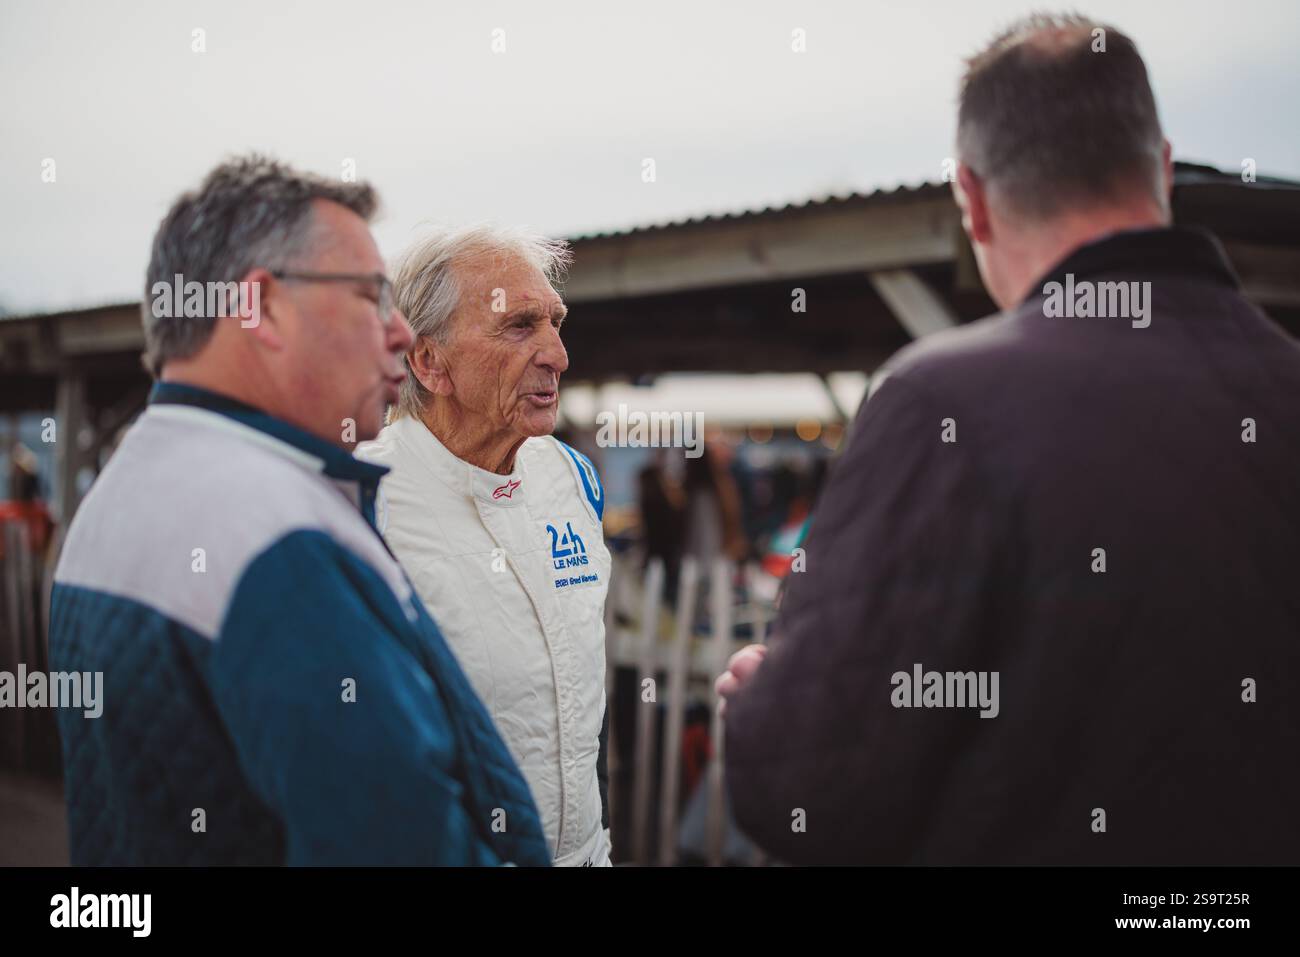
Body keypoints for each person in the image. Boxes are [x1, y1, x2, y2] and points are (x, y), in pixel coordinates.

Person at [717, 13, 1300, 864]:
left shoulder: (941, 403)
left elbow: (812, 789)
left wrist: (771, 707)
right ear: (1165, 169)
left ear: (974, 201)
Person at [49, 157, 550, 866]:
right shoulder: (272, 537)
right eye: (373, 296)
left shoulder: (117, 497)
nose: (402, 333)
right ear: (263, 308)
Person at [357, 225, 613, 866]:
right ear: (428, 361)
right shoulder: (361, 503)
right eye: (520, 326)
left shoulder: (574, 481)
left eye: (555, 322)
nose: (558, 354)